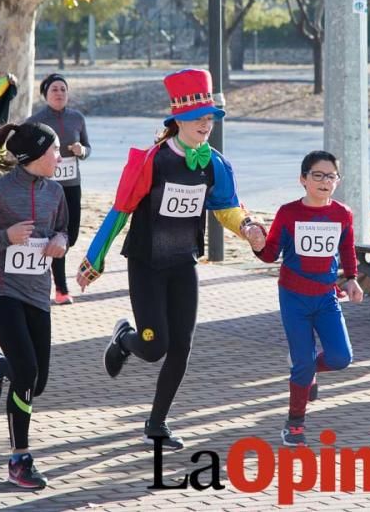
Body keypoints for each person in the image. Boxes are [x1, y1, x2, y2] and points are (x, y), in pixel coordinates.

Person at [77, 68, 266, 450]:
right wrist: (93, 262)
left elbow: (226, 207)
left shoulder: (215, 164)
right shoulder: (152, 161)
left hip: (183, 263)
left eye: (210, 118)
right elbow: (120, 212)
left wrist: (246, 227)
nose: (205, 124)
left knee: (182, 345)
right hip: (146, 263)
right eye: (198, 118)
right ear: (178, 119)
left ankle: (157, 422)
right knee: (154, 346)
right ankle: (124, 339)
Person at [0, 122, 68, 490]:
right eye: (54, 149)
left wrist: (60, 241)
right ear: (35, 156)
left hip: (38, 293)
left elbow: (66, 229)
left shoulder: (55, 192)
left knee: (36, 382)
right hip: (1, 290)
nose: (60, 156)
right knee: (25, 372)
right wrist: (5, 236)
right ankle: (19, 458)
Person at [250, 151, 362, 446]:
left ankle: (307, 370)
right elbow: (271, 253)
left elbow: (347, 248)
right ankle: (295, 422)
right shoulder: (288, 213)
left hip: (326, 297)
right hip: (294, 297)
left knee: (341, 358)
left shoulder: (342, 214)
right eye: (317, 175)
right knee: (302, 362)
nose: (325, 181)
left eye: (331, 176)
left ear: (338, 181)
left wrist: (351, 279)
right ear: (303, 179)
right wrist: (257, 243)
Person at [26, 73, 90, 305]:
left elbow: (88, 148)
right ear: (45, 94)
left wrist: (80, 151)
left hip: (72, 185)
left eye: (63, 89)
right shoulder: (36, 121)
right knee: (55, 234)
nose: (59, 93)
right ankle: (61, 288)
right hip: (48, 186)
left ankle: (48, 274)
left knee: (70, 235)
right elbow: (25, 151)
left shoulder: (77, 118)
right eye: (54, 89)